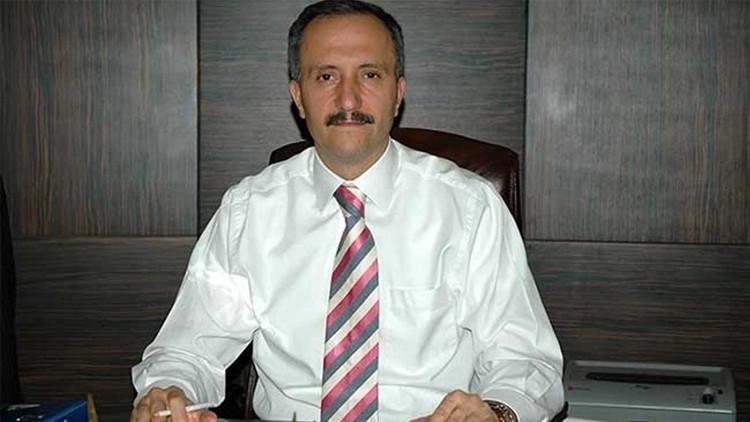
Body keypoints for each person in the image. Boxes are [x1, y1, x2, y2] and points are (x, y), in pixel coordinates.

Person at [131, 1, 564, 421]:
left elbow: (525, 360)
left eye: (370, 74)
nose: (349, 98)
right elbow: (188, 349)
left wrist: (497, 413)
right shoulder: (250, 211)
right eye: (326, 76)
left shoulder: (469, 207)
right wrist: (169, 393)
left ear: (398, 92)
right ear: (299, 97)